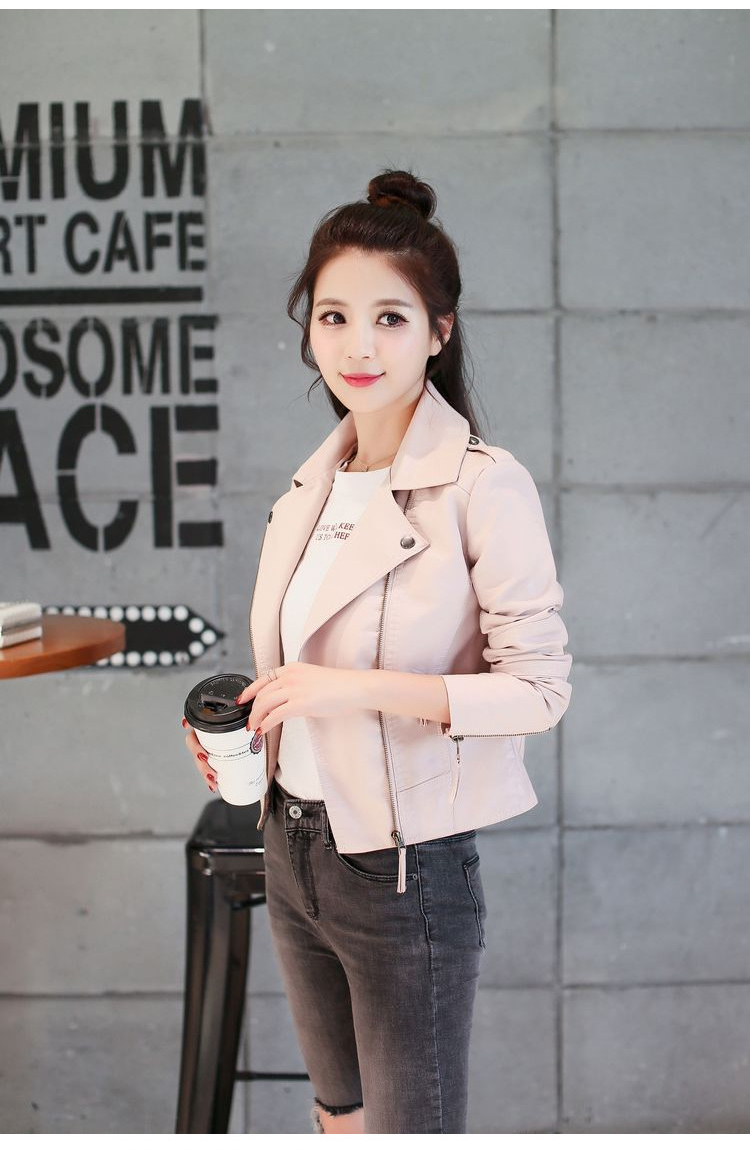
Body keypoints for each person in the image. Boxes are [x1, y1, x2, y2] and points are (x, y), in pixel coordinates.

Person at [183, 169, 573, 1134]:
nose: (358, 346)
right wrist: (251, 729)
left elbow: (538, 691)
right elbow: (304, 671)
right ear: (309, 330)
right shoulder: (308, 492)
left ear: (439, 332)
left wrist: (344, 689)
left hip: (404, 871)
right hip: (292, 845)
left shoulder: (483, 485)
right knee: (340, 1121)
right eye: (335, 317)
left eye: (391, 319)